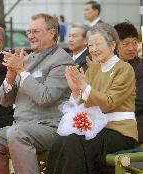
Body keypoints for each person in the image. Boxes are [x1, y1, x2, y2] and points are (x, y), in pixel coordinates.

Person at [0, 13, 73, 174]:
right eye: (29, 32)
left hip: (49, 127)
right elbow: (5, 101)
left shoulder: (62, 60)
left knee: (17, 134)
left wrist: (21, 71)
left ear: (52, 32)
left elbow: (45, 97)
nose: (30, 36)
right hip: (21, 126)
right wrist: (10, 77)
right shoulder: (27, 59)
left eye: (35, 31)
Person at [47, 23, 138, 174]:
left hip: (119, 132)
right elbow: (82, 104)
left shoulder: (124, 69)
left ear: (112, 45)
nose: (93, 49)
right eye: (90, 45)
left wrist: (83, 86)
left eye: (98, 44)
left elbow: (109, 103)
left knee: (73, 142)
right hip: (96, 129)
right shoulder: (93, 69)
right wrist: (75, 90)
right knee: (59, 142)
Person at [114, 22, 143, 143]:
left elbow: (138, 102)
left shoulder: (140, 67)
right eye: (126, 44)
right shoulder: (107, 66)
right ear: (114, 45)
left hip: (133, 124)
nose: (132, 48)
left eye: (135, 43)